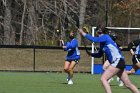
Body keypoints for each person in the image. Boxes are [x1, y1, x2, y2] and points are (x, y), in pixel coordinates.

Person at [78, 26, 140, 93]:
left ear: (97, 32)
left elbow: (94, 39)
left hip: (117, 61)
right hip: (119, 61)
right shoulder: (103, 43)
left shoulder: (105, 37)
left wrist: (82, 32)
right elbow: (99, 54)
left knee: (103, 79)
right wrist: (91, 54)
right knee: (128, 84)